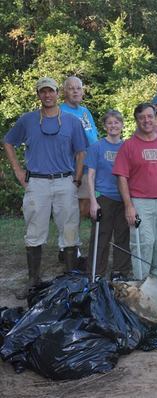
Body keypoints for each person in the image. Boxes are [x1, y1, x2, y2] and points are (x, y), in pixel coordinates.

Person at [3, 77, 86, 299]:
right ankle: (33, 280)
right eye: (43, 92)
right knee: (34, 231)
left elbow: (81, 152)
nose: (47, 95)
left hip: (64, 181)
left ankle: (69, 279)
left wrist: (77, 178)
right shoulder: (28, 120)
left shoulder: (71, 121)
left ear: (58, 93)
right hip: (37, 182)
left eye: (51, 91)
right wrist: (18, 171)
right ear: (38, 95)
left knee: (69, 230)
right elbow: (8, 141)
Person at [113, 103, 157, 285]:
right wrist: (129, 206)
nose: (146, 120)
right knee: (143, 243)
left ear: (155, 117)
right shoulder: (128, 146)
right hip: (140, 203)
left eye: (150, 116)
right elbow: (121, 178)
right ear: (136, 120)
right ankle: (142, 284)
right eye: (142, 117)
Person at [86, 110, 132, 279]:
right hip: (103, 197)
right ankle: (96, 272)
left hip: (123, 198)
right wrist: (92, 201)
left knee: (123, 235)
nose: (113, 126)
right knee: (101, 236)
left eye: (116, 122)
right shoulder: (97, 147)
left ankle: (120, 271)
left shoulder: (127, 146)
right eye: (110, 123)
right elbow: (90, 175)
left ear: (121, 125)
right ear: (105, 126)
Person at [59, 76, 99, 263]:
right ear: (64, 91)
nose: (75, 91)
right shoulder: (60, 111)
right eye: (71, 88)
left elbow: (93, 136)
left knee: (82, 209)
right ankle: (67, 249)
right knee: (70, 210)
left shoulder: (85, 112)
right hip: (70, 168)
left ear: (83, 91)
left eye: (78, 88)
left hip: (88, 168)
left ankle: (70, 245)